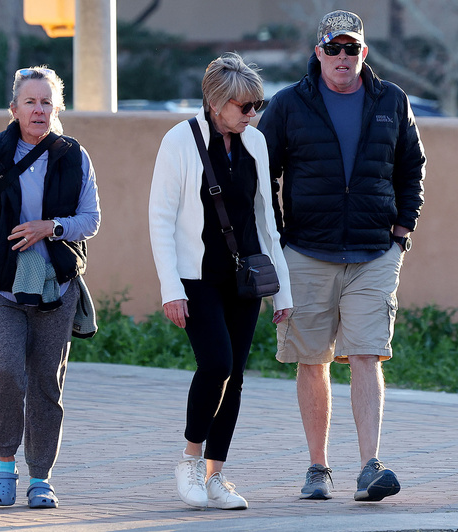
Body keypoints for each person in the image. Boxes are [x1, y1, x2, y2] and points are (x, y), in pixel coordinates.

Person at [258, 11, 425, 502]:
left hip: (375, 250)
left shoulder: (391, 100)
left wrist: (402, 229)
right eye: (334, 48)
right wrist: (280, 236)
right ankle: (318, 468)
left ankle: (371, 465)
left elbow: (412, 165)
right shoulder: (290, 104)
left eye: (352, 49)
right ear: (318, 53)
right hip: (308, 251)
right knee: (312, 360)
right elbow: (261, 172)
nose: (343, 58)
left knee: (367, 353)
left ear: (364, 53)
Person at [149, 53, 293, 510]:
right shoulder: (179, 140)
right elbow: (160, 219)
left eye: (258, 105)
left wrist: (281, 291)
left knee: (236, 377)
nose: (252, 114)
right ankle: (189, 461)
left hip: (246, 277)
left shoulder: (254, 142)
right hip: (198, 278)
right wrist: (171, 288)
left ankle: (216, 475)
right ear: (216, 103)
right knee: (216, 364)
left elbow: (268, 219)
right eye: (244, 106)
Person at [0, 66, 100, 510]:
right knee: (6, 372)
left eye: (47, 102)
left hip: (55, 286)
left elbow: (91, 219)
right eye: (30, 101)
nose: (39, 109)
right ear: (14, 108)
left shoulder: (74, 156)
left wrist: (52, 227)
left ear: (57, 107)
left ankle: (40, 477)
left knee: (47, 382)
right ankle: (5, 465)